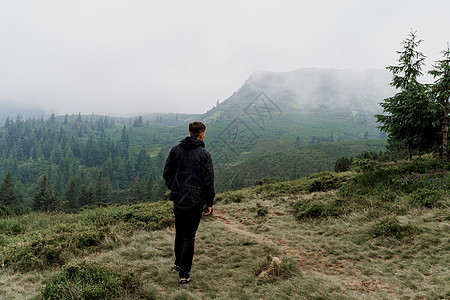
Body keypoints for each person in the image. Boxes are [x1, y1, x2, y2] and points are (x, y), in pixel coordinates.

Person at [163, 121, 215, 288]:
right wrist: (209, 202)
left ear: (189, 132)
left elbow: (167, 173)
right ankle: (184, 275)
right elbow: (208, 181)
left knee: (180, 232)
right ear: (201, 134)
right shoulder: (204, 154)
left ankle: (177, 264)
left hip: (178, 199)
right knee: (189, 237)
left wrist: (175, 187)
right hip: (195, 200)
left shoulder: (175, 150)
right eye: (204, 133)